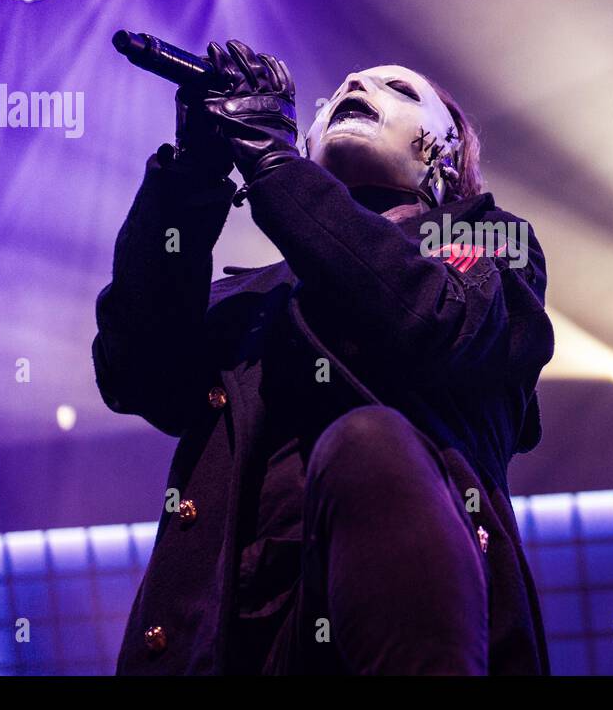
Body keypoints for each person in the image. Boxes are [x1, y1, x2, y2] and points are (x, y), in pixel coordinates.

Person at [92, 40, 554, 674]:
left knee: (368, 441)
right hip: (231, 642)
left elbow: (425, 318)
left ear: (449, 157)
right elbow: (135, 370)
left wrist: (273, 164)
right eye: (335, 92)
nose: (356, 81)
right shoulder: (249, 295)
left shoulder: (488, 243)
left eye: (399, 89)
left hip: (406, 622)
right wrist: (194, 171)